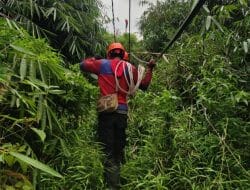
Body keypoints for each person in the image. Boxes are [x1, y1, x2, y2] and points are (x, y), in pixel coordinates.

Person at [80, 42, 156, 189]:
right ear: (123, 54)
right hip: (122, 112)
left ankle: (112, 184)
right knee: (118, 147)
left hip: (107, 112)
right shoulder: (130, 68)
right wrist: (150, 69)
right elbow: (145, 85)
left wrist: (94, 58)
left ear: (109, 53)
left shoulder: (102, 64)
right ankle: (117, 173)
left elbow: (83, 65)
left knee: (107, 149)